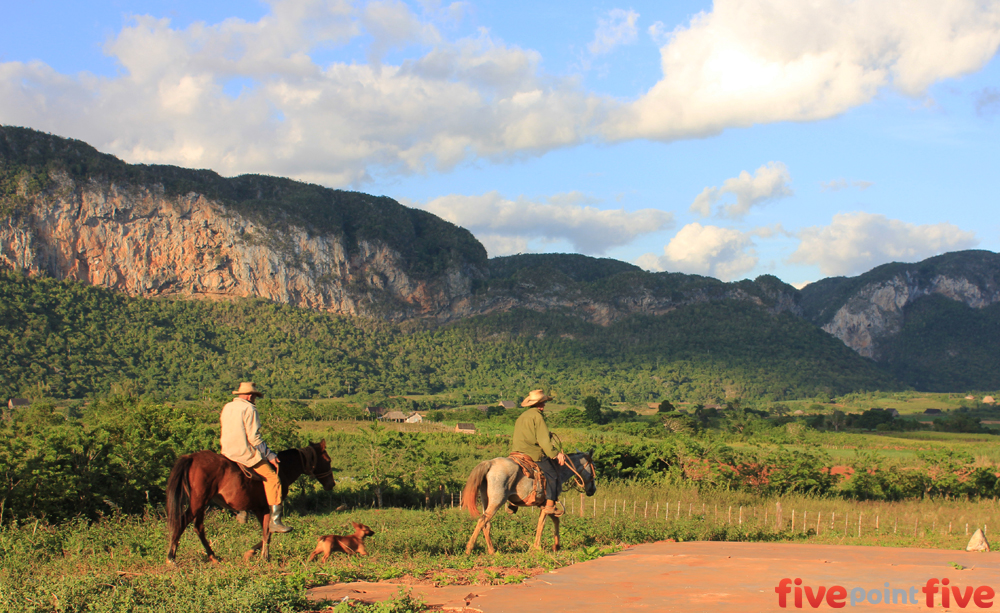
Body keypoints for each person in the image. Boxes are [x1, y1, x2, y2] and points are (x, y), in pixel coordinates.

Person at [220, 382, 292, 533]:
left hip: (226, 452)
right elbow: (254, 438)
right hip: (243, 452)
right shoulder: (250, 408)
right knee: (272, 478)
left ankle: (242, 511)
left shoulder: (228, 407)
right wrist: (270, 455)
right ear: (250, 395)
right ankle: (275, 521)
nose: (255, 399)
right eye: (255, 397)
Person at [511, 389, 568, 516]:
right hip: (532, 452)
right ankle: (550, 505)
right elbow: (543, 441)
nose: (544, 405)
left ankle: (512, 502)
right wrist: (556, 454)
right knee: (553, 474)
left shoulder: (522, 416)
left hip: (516, 452)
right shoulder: (538, 416)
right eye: (543, 402)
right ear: (541, 404)